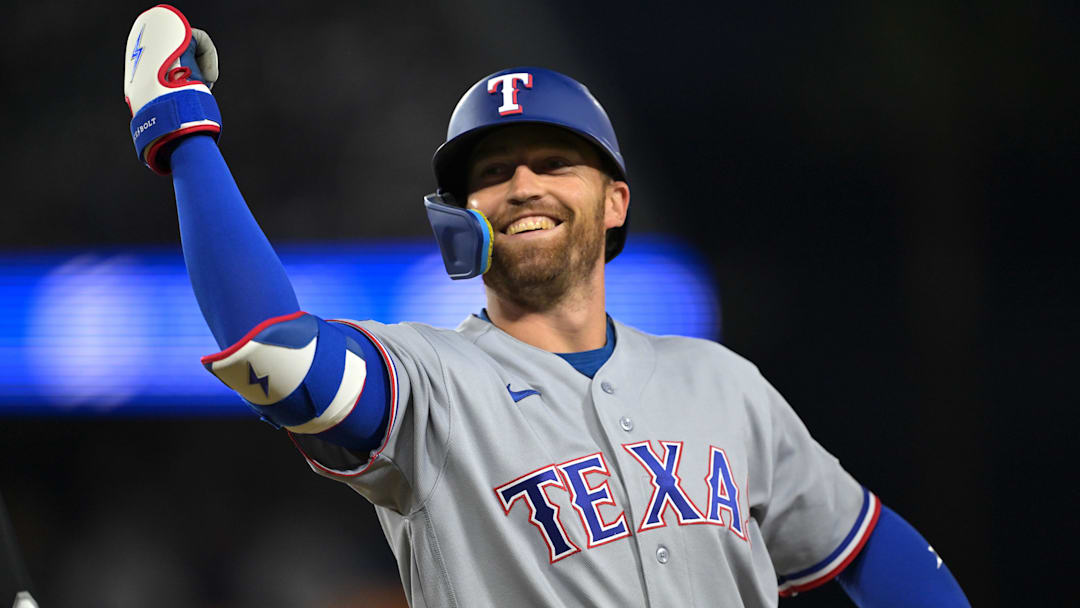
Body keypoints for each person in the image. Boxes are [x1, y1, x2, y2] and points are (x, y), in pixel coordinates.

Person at [123, 6, 971, 607]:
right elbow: (282, 359)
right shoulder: (431, 385)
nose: (522, 183)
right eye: (491, 173)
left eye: (553, 161)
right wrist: (182, 133)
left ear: (615, 202)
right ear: (462, 219)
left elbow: (866, 546)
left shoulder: (725, 386)